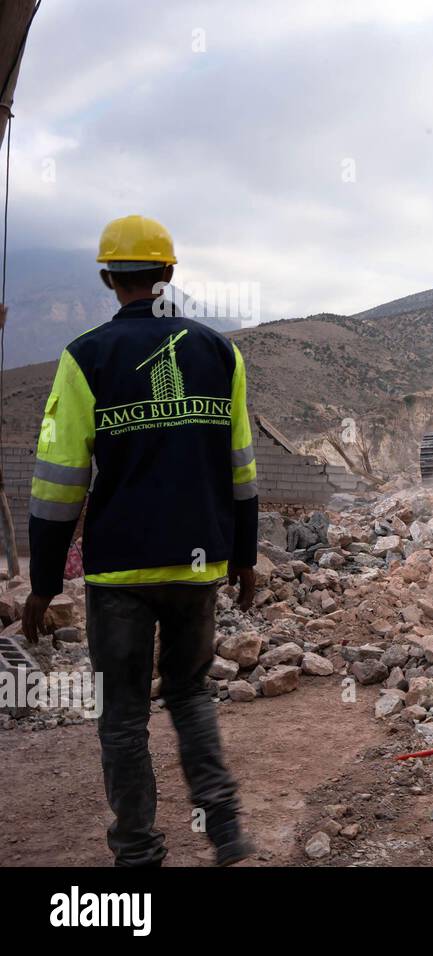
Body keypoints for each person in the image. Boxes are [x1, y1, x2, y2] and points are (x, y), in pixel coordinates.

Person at [22, 214, 258, 866]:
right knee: (188, 694)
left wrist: (43, 585)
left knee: (123, 718)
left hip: (120, 571)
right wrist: (244, 556)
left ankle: (137, 855)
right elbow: (241, 468)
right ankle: (227, 830)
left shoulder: (85, 359)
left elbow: (58, 483)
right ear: (169, 273)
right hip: (197, 565)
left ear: (106, 277)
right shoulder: (219, 353)